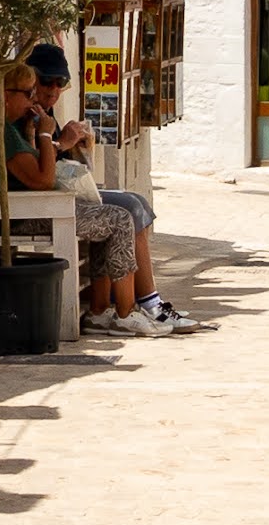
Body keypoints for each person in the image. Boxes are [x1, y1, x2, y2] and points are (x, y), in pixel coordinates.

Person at [13, 42, 184, 336]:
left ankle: (108, 308)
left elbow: (66, 169)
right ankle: (140, 306)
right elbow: (39, 170)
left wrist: (78, 147)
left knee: (136, 202)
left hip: (60, 195)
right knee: (125, 212)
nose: (53, 90)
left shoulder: (45, 116)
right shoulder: (23, 120)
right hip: (40, 204)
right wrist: (61, 143)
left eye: (60, 82)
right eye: (46, 81)